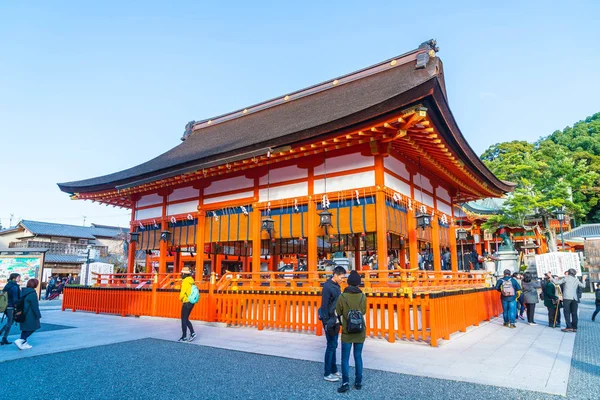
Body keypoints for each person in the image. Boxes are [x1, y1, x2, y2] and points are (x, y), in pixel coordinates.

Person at [336, 270, 366, 393]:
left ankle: (345, 382)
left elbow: (338, 312)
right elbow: (363, 311)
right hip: (359, 330)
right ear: (358, 283)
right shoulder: (363, 296)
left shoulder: (342, 296)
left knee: (345, 358)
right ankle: (358, 382)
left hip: (347, 331)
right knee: (358, 356)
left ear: (348, 283)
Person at [319, 266, 346, 382]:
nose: (343, 279)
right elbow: (324, 305)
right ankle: (327, 372)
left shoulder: (336, 286)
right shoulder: (327, 287)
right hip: (329, 320)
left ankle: (334, 369)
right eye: (342, 277)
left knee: (334, 345)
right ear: (335, 275)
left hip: (335, 319)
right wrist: (325, 322)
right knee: (331, 345)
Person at [14, 278, 41, 350]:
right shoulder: (32, 293)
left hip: (22, 313)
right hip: (30, 314)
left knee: (25, 329)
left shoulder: (23, 291)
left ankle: (24, 343)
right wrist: (38, 315)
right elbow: (35, 306)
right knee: (34, 327)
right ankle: (21, 340)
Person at [0, 273, 21, 345]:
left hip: (6, 306)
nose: (19, 278)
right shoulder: (14, 286)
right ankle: (4, 338)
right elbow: (15, 299)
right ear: (14, 278)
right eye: (18, 277)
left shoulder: (8, 285)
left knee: (10, 321)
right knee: (10, 322)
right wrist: (18, 306)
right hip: (11, 306)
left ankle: (2, 334)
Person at [178, 267, 197, 342]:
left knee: (183, 319)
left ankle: (184, 336)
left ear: (183, 274)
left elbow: (182, 293)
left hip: (186, 302)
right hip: (192, 302)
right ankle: (192, 333)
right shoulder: (191, 281)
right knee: (186, 319)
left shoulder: (185, 282)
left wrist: (180, 298)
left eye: (181, 273)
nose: (181, 274)